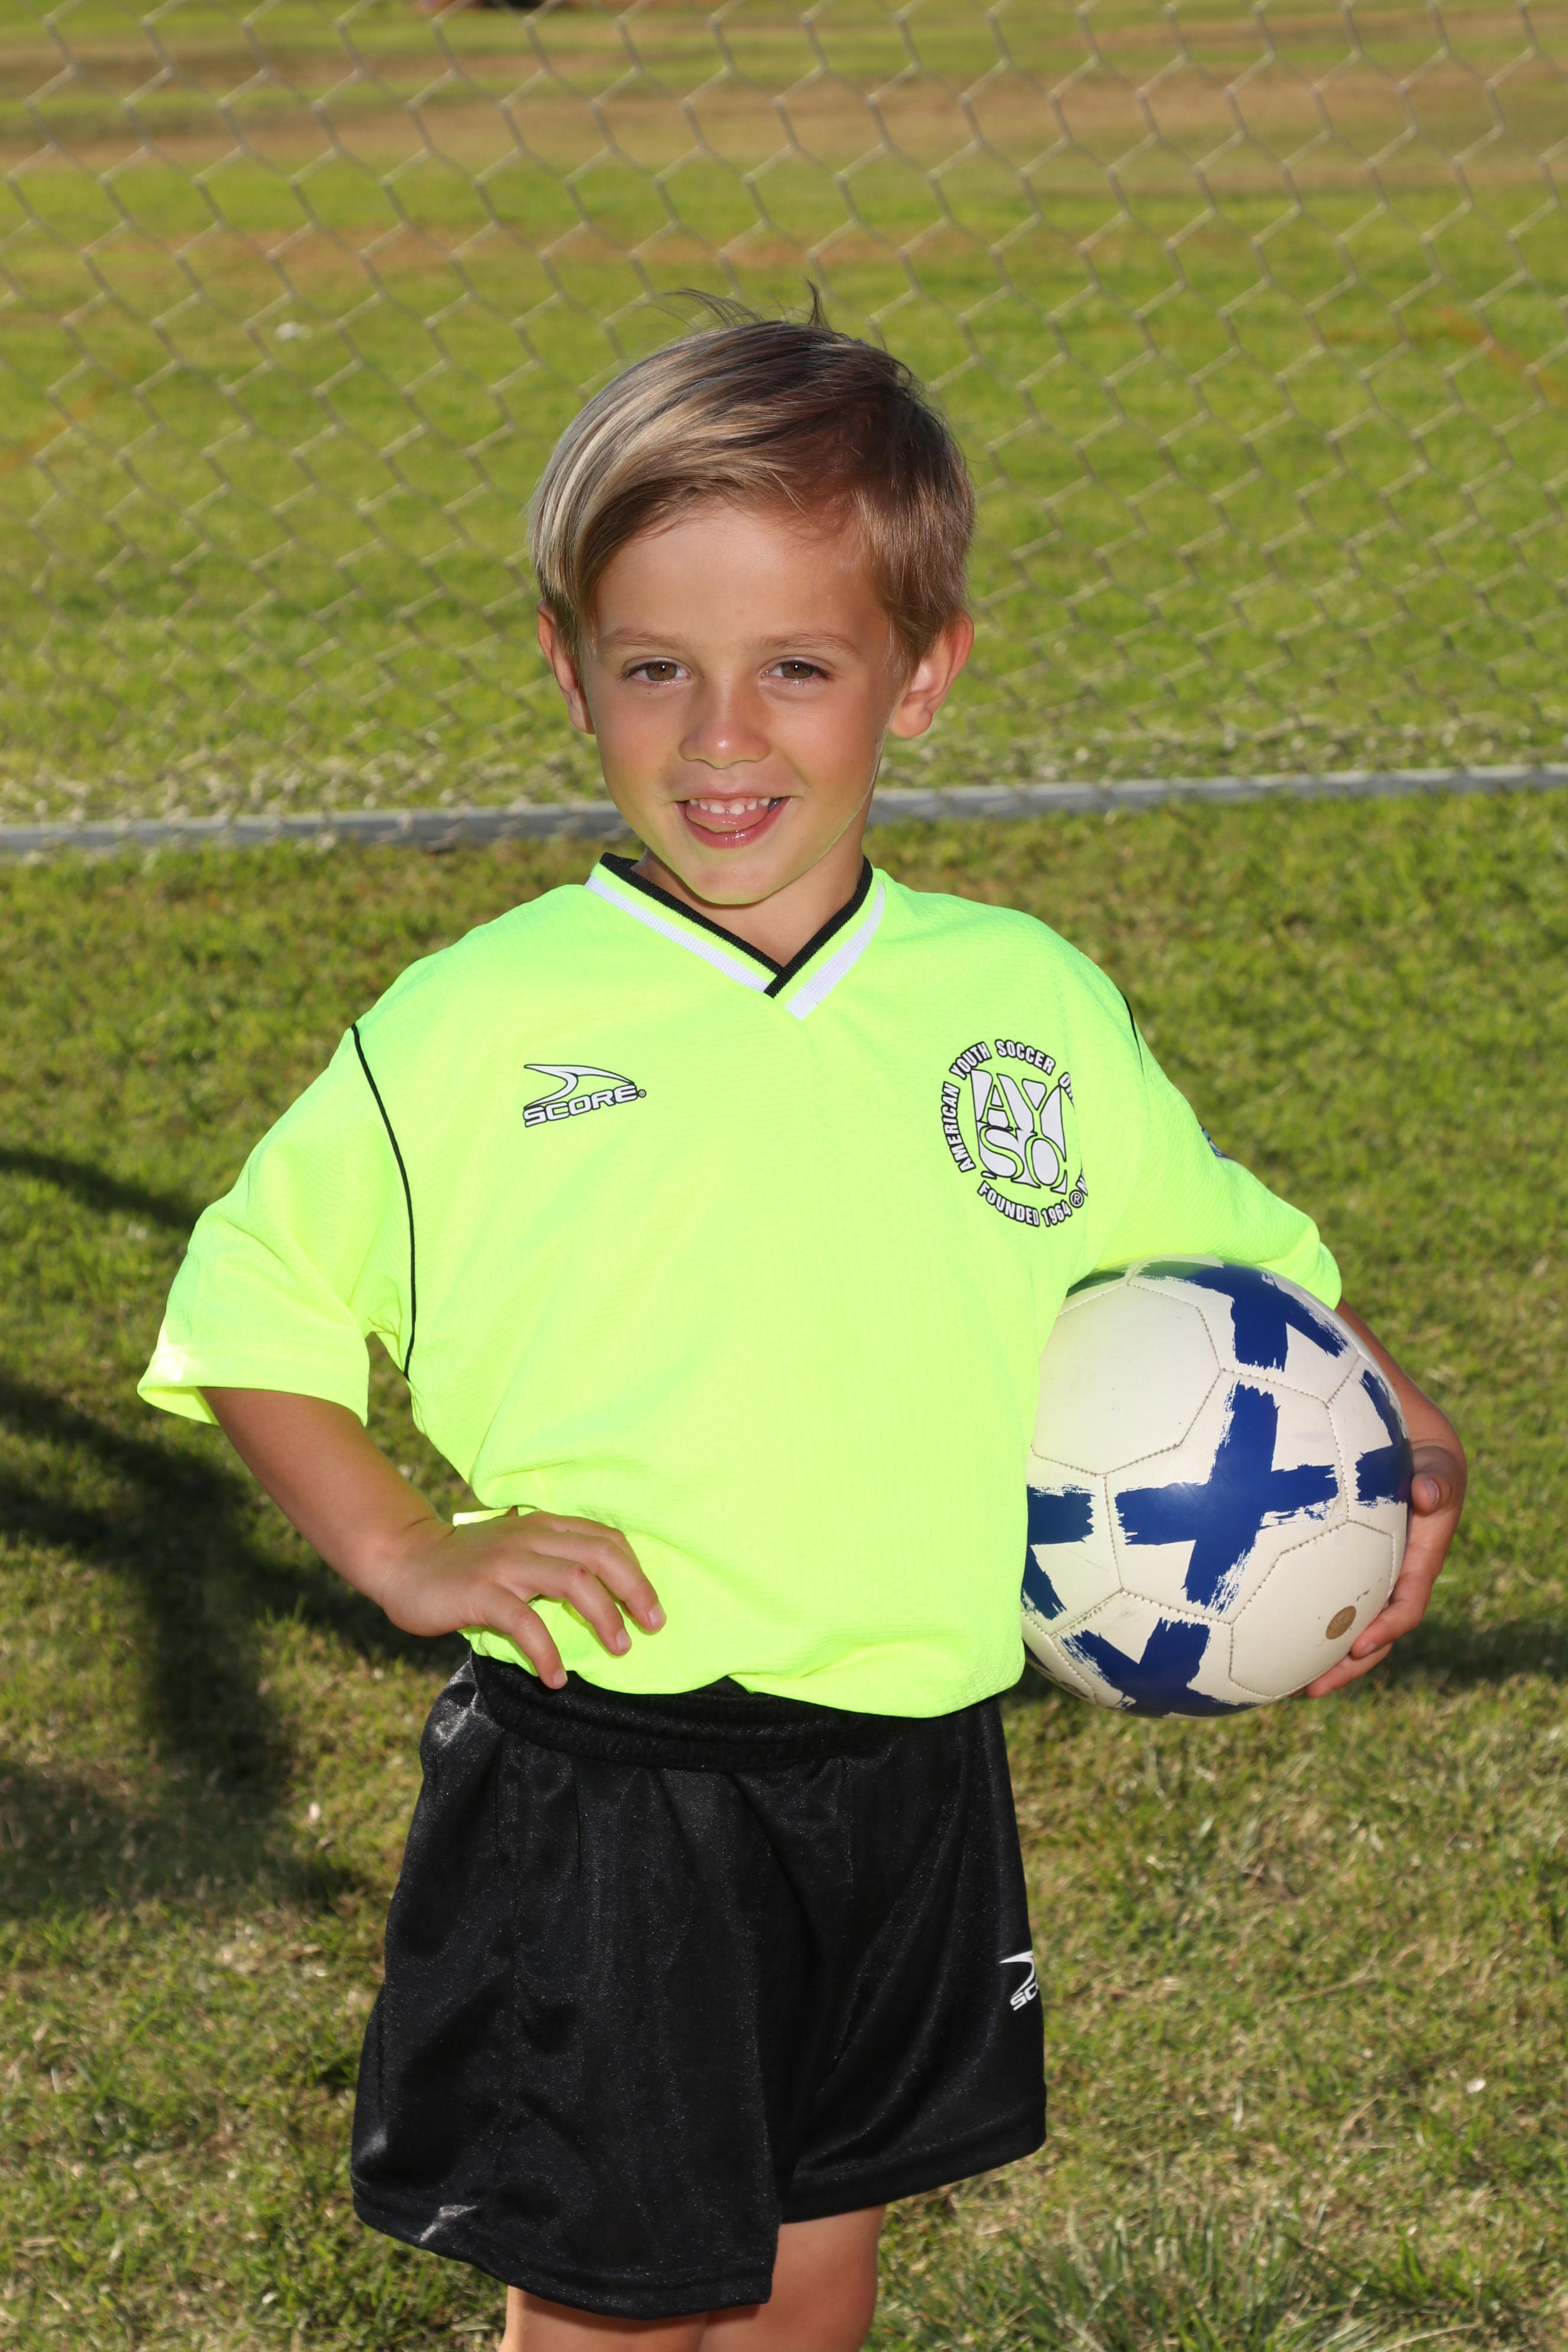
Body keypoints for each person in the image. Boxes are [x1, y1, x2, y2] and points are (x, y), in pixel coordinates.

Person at [138, 308, 1466, 2352]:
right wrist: (399, 1547)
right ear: (569, 669)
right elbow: (256, 1299)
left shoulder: (1018, 1003)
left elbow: (1237, 1267)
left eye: (798, 669)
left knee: (813, 2259)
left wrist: (1408, 1438)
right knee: (611, 2300)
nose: (722, 737)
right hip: (615, 1780)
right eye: (656, 668)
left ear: (922, 675)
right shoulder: (479, 1026)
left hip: (909, 1763)